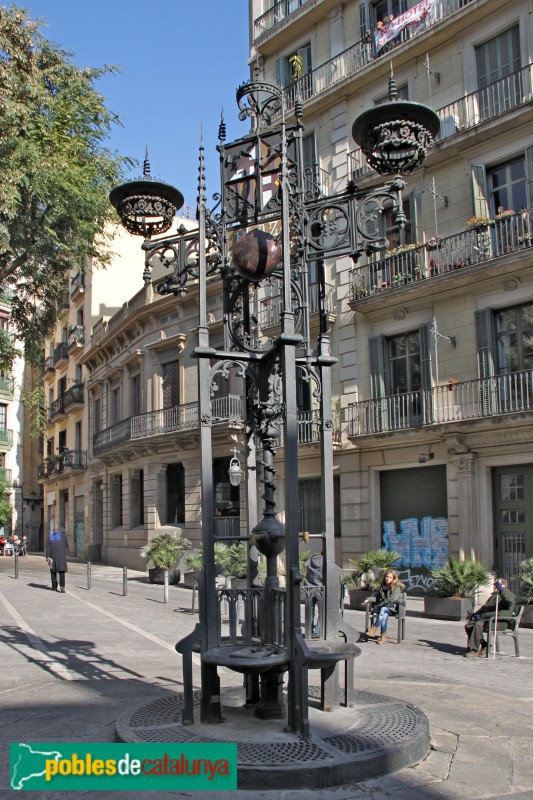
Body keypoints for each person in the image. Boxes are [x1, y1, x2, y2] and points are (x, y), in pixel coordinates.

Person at [464, 577, 515, 658]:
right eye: (494, 585)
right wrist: (476, 614)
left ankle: (474, 650)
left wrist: (502, 590)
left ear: (503, 586)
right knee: (469, 625)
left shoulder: (508, 595)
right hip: (488, 620)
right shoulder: (494, 596)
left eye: (497, 585)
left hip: (499, 622)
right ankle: (485, 645)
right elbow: (485, 607)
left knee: (478, 625)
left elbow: (509, 601)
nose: (494, 586)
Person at [365, 570, 404, 645]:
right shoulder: (382, 587)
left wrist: (383, 602)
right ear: (384, 577)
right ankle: (383, 637)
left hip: (394, 608)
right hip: (384, 608)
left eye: (390, 577)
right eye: (387, 576)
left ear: (393, 578)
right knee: (384, 614)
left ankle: (374, 630)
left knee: (382, 609)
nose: (388, 578)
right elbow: (376, 597)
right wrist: (368, 599)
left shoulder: (396, 587)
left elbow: (393, 598)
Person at [305, 554, 323, 638]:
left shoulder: (310, 560)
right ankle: (317, 631)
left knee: (310, 611)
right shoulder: (326, 561)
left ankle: (309, 630)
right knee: (322, 612)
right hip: (321, 589)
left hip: (309, 588)